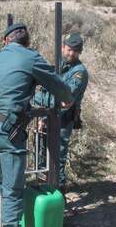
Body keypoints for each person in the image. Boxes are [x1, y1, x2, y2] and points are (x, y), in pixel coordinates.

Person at [0, 23, 73, 227]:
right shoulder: (30, 56)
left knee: (4, 185)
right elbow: (56, 83)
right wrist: (67, 99)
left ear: (5, 41)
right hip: (7, 128)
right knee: (13, 187)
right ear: (27, 42)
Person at [34, 33, 89, 197]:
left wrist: (39, 100)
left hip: (63, 119)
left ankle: (58, 193)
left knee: (58, 155)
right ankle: (43, 189)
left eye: (75, 51)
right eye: (69, 49)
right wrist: (43, 116)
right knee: (41, 151)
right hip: (47, 115)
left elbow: (65, 98)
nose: (71, 53)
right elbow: (47, 92)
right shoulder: (57, 66)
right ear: (63, 47)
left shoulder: (79, 72)